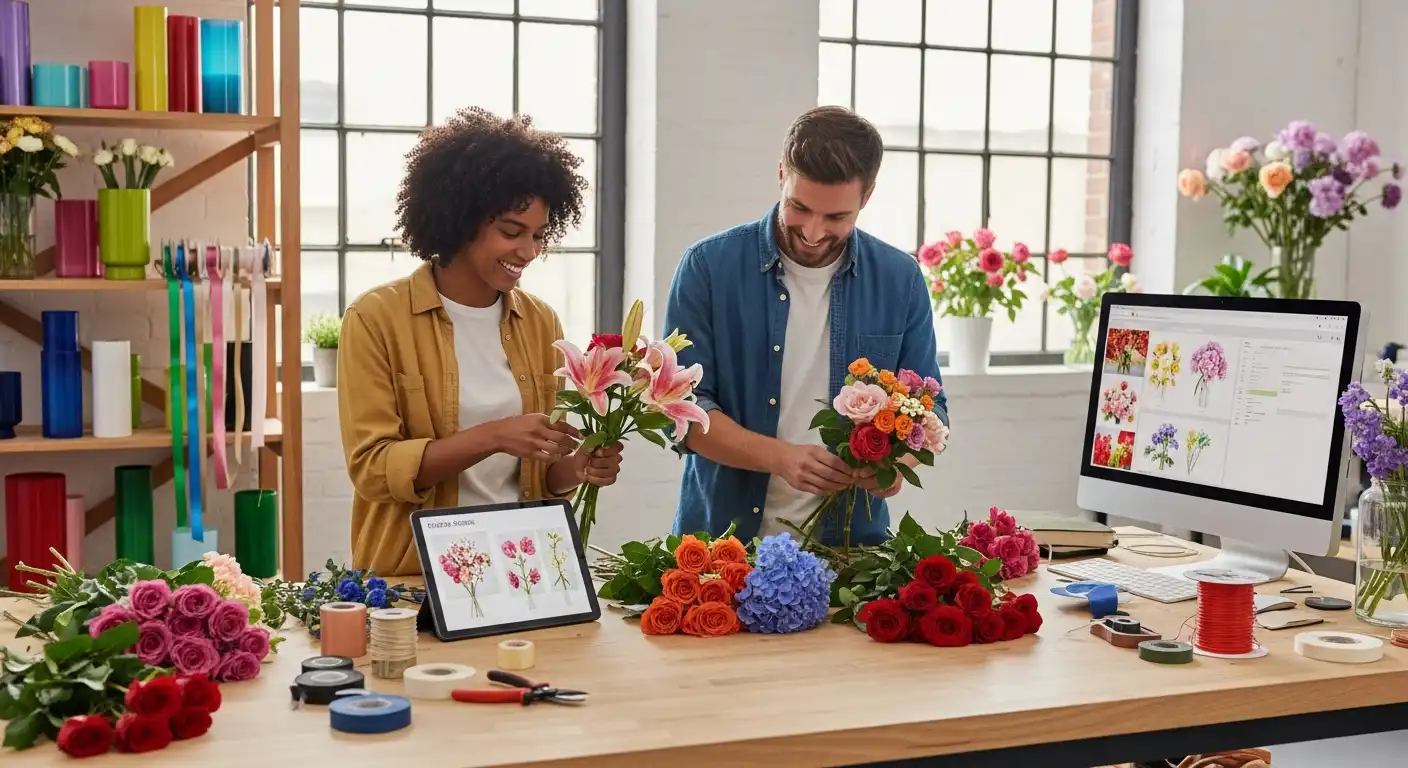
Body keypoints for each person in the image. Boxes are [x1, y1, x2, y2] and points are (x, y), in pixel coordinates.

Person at [338, 107, 624, 577]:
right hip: (415, 576)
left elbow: (541, 475)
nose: (528, 252)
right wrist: (493, 436)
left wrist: (577, 467)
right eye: (511, 232)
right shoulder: (375, 319)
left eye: (537, 236)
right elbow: (373, 469)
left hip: (520, 572)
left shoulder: (539, 323)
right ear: (459, 218)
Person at [661, 105, 947, 547]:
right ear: (781, 174)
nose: (813, 232)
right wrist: (781, 458)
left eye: (836, 218)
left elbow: (931, 409)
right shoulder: (707, 268)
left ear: (866, 197)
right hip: (723, 549)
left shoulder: (900, 279)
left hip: (853, 554)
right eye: (799, 207)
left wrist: (897, 466)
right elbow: (680, 411)